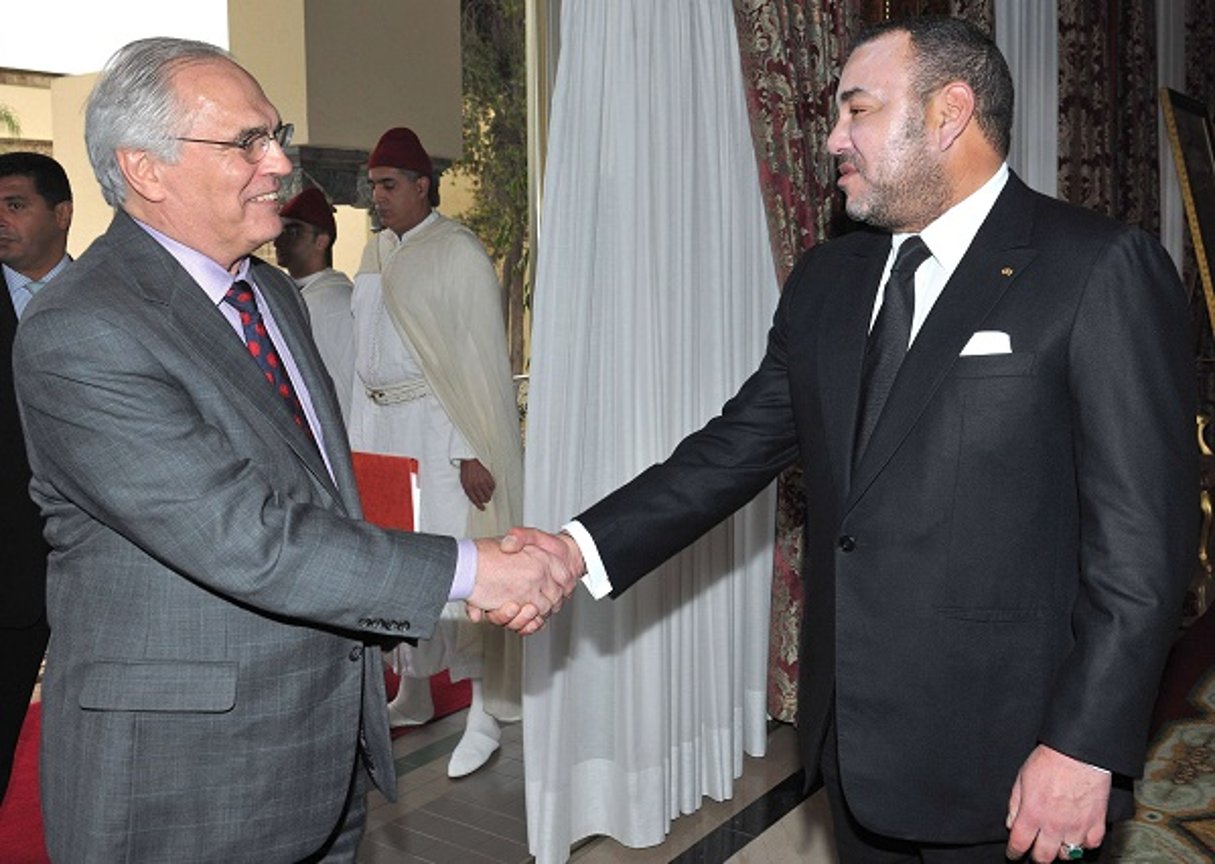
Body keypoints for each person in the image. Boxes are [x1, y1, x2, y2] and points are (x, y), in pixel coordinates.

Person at [506, 17, 1195, 863]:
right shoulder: (826, 280)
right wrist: (574, 552)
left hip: (1015, 753)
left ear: (949, 112)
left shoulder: (1096, 267)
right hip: (855, 744)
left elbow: (1143, 547)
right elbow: (732, 450)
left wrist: (1085, 743)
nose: (833, 140)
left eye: (856, 110)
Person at [12, 38, 572, 862]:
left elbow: (319, 491)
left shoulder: (269, 290)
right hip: (185, 781)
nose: (279, 163)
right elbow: (244, 534)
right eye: (246, 142)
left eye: (278, 134)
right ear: (146, 169)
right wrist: (474, 569)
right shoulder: (83, 328)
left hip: (323, 751)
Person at [350, 127, 524, 778]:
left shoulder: (457, 252)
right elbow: (363, 357)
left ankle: (483, 707)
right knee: (399, 571)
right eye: (373, 187)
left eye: (388, 186)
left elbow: (475, 360)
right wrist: (357, 444)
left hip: (441, 433)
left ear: (424, 186)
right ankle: (415, 687)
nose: (378, 198)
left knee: (460, 573)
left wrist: (472, 447)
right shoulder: (374, 254)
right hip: (385, 436)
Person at [0, 151, 71, 805]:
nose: (0, 220)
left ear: (62, 214)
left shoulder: (115, 298)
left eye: (14, 204)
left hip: (99, 574)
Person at [273, 186, 356, 422]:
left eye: (293, 231)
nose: (279, 240)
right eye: (280, 230)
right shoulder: (286, 295)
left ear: (321, 241)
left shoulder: (337, 300)